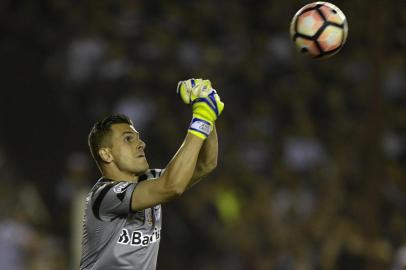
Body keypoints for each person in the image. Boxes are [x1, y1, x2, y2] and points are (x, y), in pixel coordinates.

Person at [79, 79, 224, 270]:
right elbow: (172, 186)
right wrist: (201, 117)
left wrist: (207, 110)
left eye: (138, 138)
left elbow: (206, 164)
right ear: (106, 154)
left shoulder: (150, 180)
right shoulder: (105, 196)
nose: (141, 144)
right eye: (128, 139)